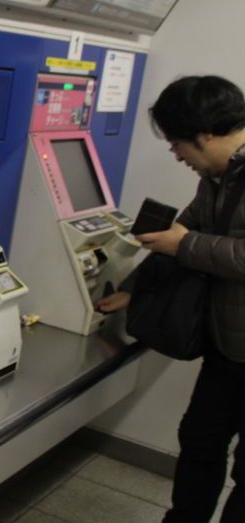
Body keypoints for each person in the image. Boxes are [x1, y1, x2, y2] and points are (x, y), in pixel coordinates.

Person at [96, 75, 245, 523]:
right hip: (228, 346)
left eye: (178, 142)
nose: (175, 154)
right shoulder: (219, 176)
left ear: (204, 135)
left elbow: (187, 242)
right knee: (200, 439)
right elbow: (177, 234)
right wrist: (133, 289)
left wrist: (185, 245)